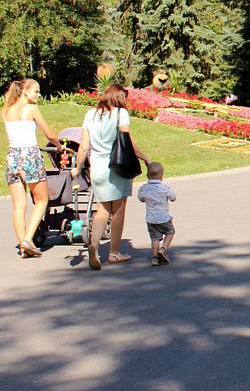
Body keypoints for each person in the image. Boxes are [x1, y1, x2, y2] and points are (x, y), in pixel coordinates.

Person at [72, 84, 149, 270]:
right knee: (118, 210)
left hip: (97, 168)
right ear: (120, 98)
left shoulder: (90, 114)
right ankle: (114, 252)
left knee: (102, 210)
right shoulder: (120, 113)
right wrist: (146, 158)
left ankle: (94, 245)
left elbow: (84, 146)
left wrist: (77, 167)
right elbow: (126, 140)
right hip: (117, 166)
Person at [3, 79, 65, 257]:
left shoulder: (6, 110)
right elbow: (50, 134)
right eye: (36, 91)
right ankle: (27, 240)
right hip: (30, 156)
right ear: (25, 92)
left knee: (19, 206)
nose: (38, 95)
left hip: (13, 157)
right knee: (42, 200)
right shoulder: (31, 109)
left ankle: (23, 245)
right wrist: (59, 146)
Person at [137, 161, 176, 266]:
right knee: (170, 232)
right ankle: (163, 249)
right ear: (162, 176)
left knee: (154, 238)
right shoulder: (164, 188)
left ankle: (155, 258)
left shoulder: (144, 188)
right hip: (164, 218)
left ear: (147, 175)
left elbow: (141, 198)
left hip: (151, 219)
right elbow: (173, 197)